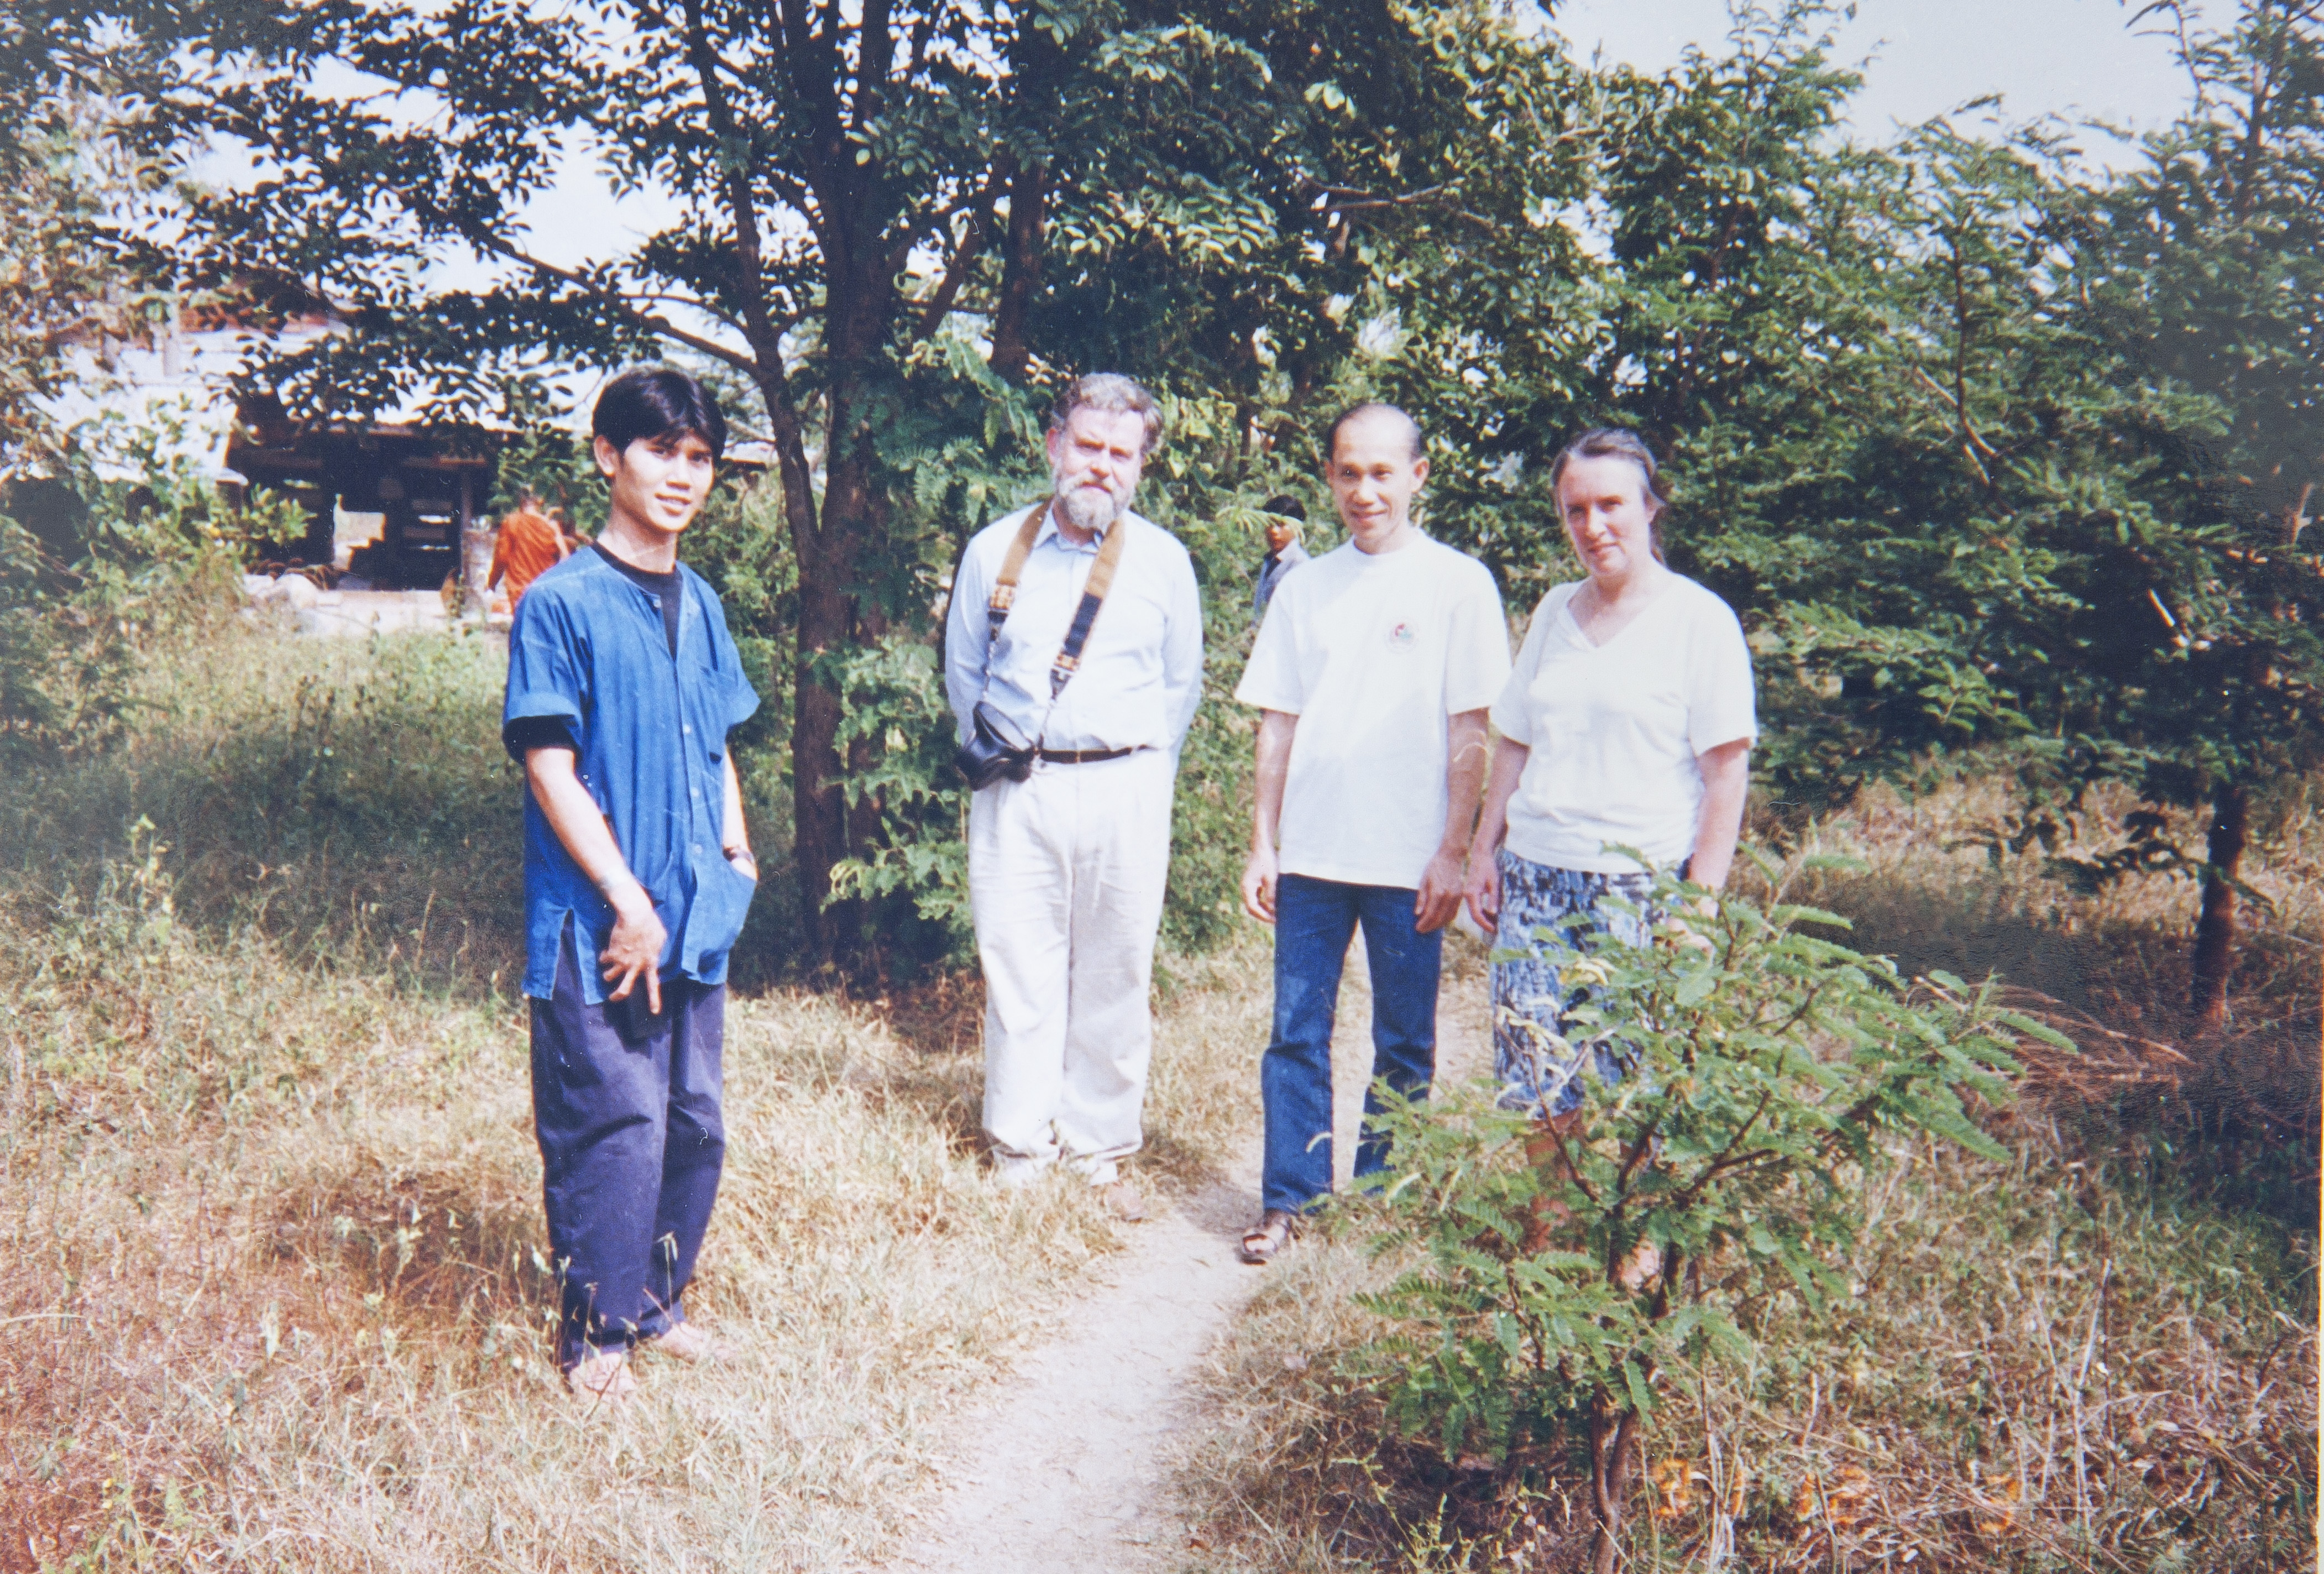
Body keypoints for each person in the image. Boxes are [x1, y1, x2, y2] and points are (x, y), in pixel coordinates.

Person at [500, 367, 762, 1409]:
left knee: (693, 1119)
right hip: (600, 919)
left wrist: (737, 854)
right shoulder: (560, 602)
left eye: (700, 457)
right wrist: (627, 899)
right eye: (661, 451)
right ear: (608, 455)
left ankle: (655, 1301)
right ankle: (596, 1335)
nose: (682, 475)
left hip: (696, 908)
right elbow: (549, 765)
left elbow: (718, 741)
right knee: (613, 1120)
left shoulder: (702, 603)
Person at [1463, 427, 1755, 1263]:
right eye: (1575, 510)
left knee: (1638, 1084)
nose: (1593, 527)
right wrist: (1484, 850)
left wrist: (1696, 907)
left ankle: (1636, 1258)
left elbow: (1725, 774)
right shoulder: (1554, 612)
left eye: (1611, 505)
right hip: (1536, 881)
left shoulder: (1700, 621)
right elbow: (1514, 740)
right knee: (1538, 1079)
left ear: (1650, 507)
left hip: (1640, 891)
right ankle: (1551, 1250)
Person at [1233, 403, 1511, 1264]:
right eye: (1349, 472)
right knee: (1295, 1033)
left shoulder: (1459, 583)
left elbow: (1472, 727)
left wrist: (1453, 849)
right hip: (1312, 855)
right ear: (1329, 476)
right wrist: (1263, 843)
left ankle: (1385, 1210)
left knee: (1404, 1041)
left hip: (1408, 860)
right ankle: (1292, 1199)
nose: (1365, 491)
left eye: (1383, 472)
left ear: (1418, 476)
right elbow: (1277, 723)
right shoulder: (1304, 587)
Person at [943, 373, 1204, 1223]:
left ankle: (1099, 1150)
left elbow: (1181, 686)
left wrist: (1141, 774)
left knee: (1117, 969)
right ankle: (1021, 1152)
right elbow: (965, 675)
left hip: (1128, 784)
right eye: (1088, 446)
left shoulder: (1164, 560)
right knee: (1017, 967)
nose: (1101, 466)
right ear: (1055, 444)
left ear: (1141, 465)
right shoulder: (994, 550)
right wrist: (1012, 750)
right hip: (1020, 788)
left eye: (1121, 454)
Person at [486, 493, 570, 609]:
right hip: (545, 592)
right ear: (540, 501)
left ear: (521, 501)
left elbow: (502, 558)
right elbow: (566, 558)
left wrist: (492, 584)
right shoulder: (551, 525)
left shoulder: (512, 522)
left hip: (521, 593)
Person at [1252, 494, 1308, 623]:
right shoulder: (1270, 560)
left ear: (1296, 527)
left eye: (1281, 525)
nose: (1274, 531)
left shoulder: (1300, 565)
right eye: (1270, 524)